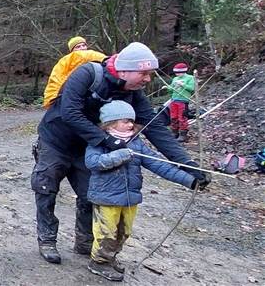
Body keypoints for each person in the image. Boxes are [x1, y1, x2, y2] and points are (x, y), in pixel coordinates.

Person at [31, 42, 210, 265]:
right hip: (55, 142)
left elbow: (153, 127)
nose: (147, 79)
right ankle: (47, 239)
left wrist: (187, 163)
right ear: (125, 69)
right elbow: (70, 113)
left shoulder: (134, 93)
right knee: (46, 189)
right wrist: (107, 140)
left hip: (87, 148)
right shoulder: (87, 74)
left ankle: (85, 242)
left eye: (149, 74)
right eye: (143, 73)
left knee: (91, 195)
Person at [83, 100, 203, 281]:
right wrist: (119, 155)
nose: (131, 124)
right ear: (110, 123)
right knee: (106, 233)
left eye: (131, 120)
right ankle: (99, 262)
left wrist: (190, 181)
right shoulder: (99, 141)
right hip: (105, 198)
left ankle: (110, 257)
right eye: (125, 121)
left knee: (124, 232)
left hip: (130, 198)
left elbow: (159, 165)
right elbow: (92, 162)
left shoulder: (136, 143)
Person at [41, 36, 107, 109]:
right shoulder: (65, 61)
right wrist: (52, 99)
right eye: (78, 47)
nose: (82, 48)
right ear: (72, 51)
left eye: (84, 45)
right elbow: (56, 80)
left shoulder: (92, 60)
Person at [167, 63, 196, 142]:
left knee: (182, 117)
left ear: (184, 71)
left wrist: (183, 85)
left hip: (183, 101)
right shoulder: (175, 79)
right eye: (176, 73)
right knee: (173, 117)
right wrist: (167, 87)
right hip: (174, 100)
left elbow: (192, 89)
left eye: (178, 73)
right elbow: (171, 88)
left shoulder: (190, 78)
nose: (177, 74)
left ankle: (183, 134)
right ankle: (174, 132)